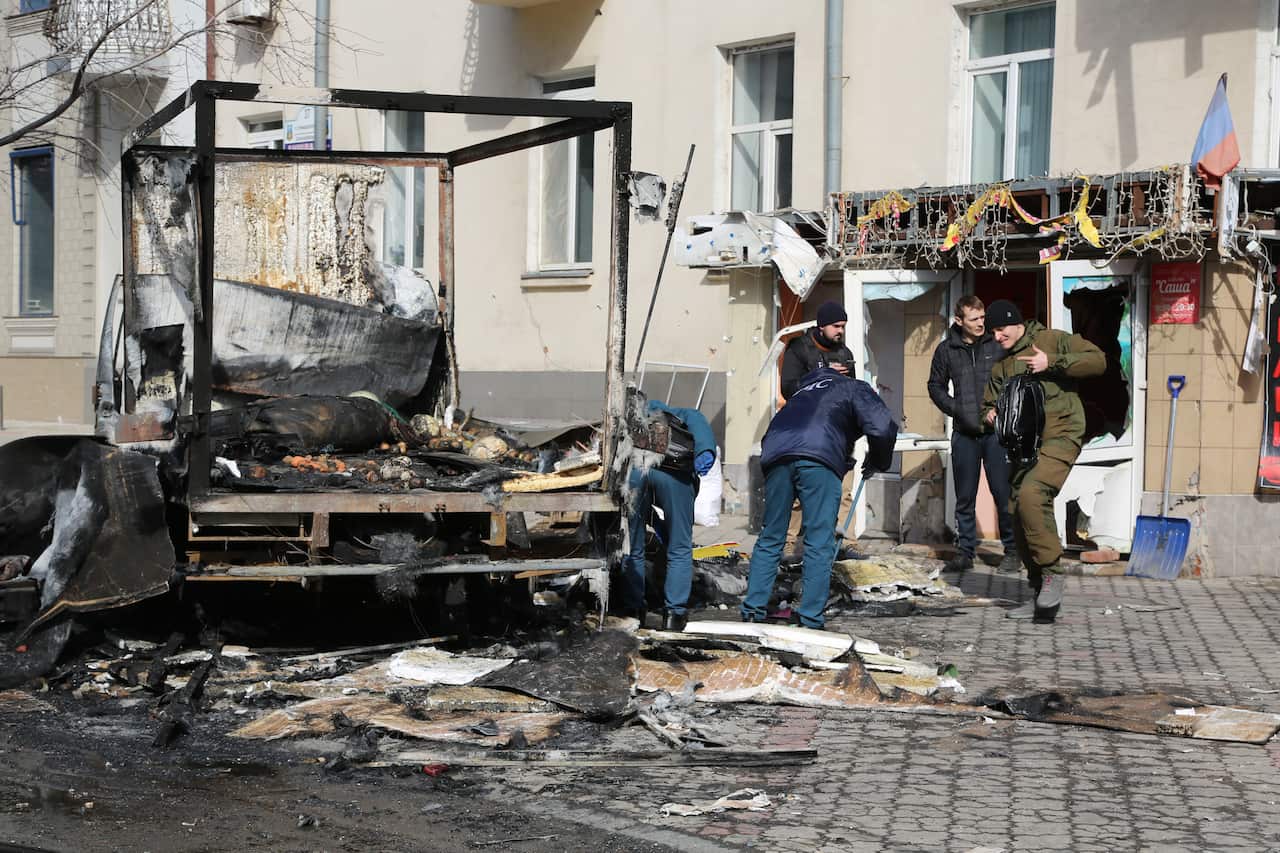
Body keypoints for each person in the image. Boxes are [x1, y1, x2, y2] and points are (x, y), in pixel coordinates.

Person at [741, 367, 898, 629]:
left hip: (776, 454)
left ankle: (752, 611)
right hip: (818, 458)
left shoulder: (802, 392)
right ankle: (810, 618)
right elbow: (882, 425)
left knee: (772, 535)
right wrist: (880, 460)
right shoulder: (852, 387)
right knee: (819, 539)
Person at [981, 299, 1105, 623]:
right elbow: (986, 406)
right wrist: (991, 415)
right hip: (1024, 446)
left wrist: (1053, 362)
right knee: (1015, 508)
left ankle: (1052, 574)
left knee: (1033, 495)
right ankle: (1040, 595)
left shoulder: (1051, 340)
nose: (997, 336)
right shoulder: (1001, 367)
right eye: (991, 331)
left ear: (1016, 321)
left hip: (1062, 435)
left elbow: (1097, 362)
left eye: (1001, 329)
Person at [927, 295, 1018, 575]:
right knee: (964, 497)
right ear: (959, 321)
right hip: (965, 434)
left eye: (983, 318)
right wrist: (958, 410)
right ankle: (965, 553)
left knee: (1003, 493)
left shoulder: (997, 345)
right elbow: (935, 386)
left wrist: (1003, 412)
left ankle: (1013, 552)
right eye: (975, 319)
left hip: (995, 434)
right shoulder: (947, 349)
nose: (981, 324)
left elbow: (1015, 380)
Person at [621, 399, 717, 632]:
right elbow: (699, 425)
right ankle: (674, 615)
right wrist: (705, 452)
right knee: (680, 548)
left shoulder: (639, 417)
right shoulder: (685, 412)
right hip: (674, 474)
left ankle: (633, 611)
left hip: (635, 471)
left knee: (632, 546)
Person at [780, 301, 856, 400]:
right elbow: (788, 390)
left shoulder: (844, 353)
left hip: (836, 412)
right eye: (836, 326)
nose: (841, 331)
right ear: (822, 326)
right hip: (807, 412)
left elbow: (852, 392)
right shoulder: (799, 348)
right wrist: (821, 375)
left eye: (843, 326)